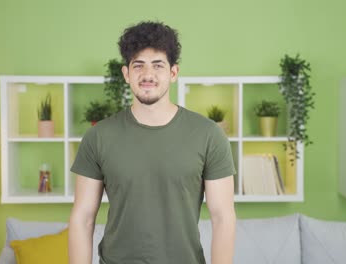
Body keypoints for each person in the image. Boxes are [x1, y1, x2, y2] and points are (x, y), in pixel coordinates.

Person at [68, 21, 236, 264]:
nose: (148, 75)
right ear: (126, 74)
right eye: (138, 66)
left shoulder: (209, 135)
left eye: (158, 65)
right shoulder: (98, 137)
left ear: (173, 73)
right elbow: (82, 218)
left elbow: (223, 218)